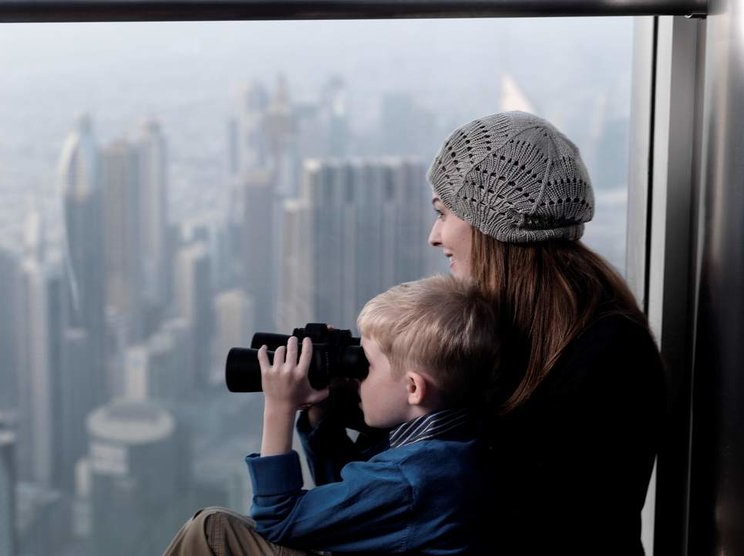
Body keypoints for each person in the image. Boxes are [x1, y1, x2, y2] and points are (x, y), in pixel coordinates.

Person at [303, 111, 665, 555]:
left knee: (213, 533)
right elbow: (376, 502)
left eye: (443, 213)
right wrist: (333, 411)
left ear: (491, 223)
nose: (435, 236)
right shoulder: (550, 329)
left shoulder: (603, 354)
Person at [164, 275, 501, 555]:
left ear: (413, 388)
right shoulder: (448, 441)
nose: (355, 376)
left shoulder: (412, 478)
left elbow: (278, 519)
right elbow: (345, 497)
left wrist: (279, 407)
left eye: (365, 364)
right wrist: (321, 412)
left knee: (212, 531)